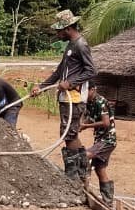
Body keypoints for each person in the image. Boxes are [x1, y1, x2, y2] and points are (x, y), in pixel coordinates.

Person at [29, 10, 97, 180]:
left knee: (69, 134)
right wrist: (42, 87)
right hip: (67, 98)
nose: (57, 34)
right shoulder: (71, 45)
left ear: (68, 28)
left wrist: (70, 83)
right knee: (70, 133)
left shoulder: (81, 45)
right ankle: (81, 171)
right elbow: (60, 71)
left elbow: (91, 71)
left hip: (74, 98)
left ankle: (74, 174)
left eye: (59, 31)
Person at [80, 85, 117, 204]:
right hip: (100, 140)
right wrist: (80, 126)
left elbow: (106, 123)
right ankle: (108, 201)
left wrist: (86, 126)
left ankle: (82, 186)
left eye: (85, 91)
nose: (84, 93)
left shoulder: (101, 102)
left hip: (107, 140)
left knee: (85, 156)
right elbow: (91, 119)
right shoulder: (90, 103)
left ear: (93, 89)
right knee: (100, 170)